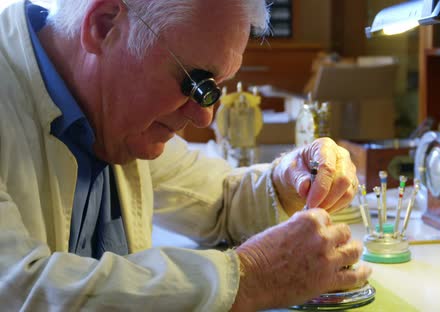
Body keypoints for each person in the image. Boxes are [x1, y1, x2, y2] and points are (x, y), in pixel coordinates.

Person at [0, 0, 371, 310]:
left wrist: (288, 180)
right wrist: (247, 278)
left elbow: (220, 202)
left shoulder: (119, 118)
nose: (204, 115)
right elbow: (18, 290)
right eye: (195, 83)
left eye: (215, 88)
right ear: (104, 25)